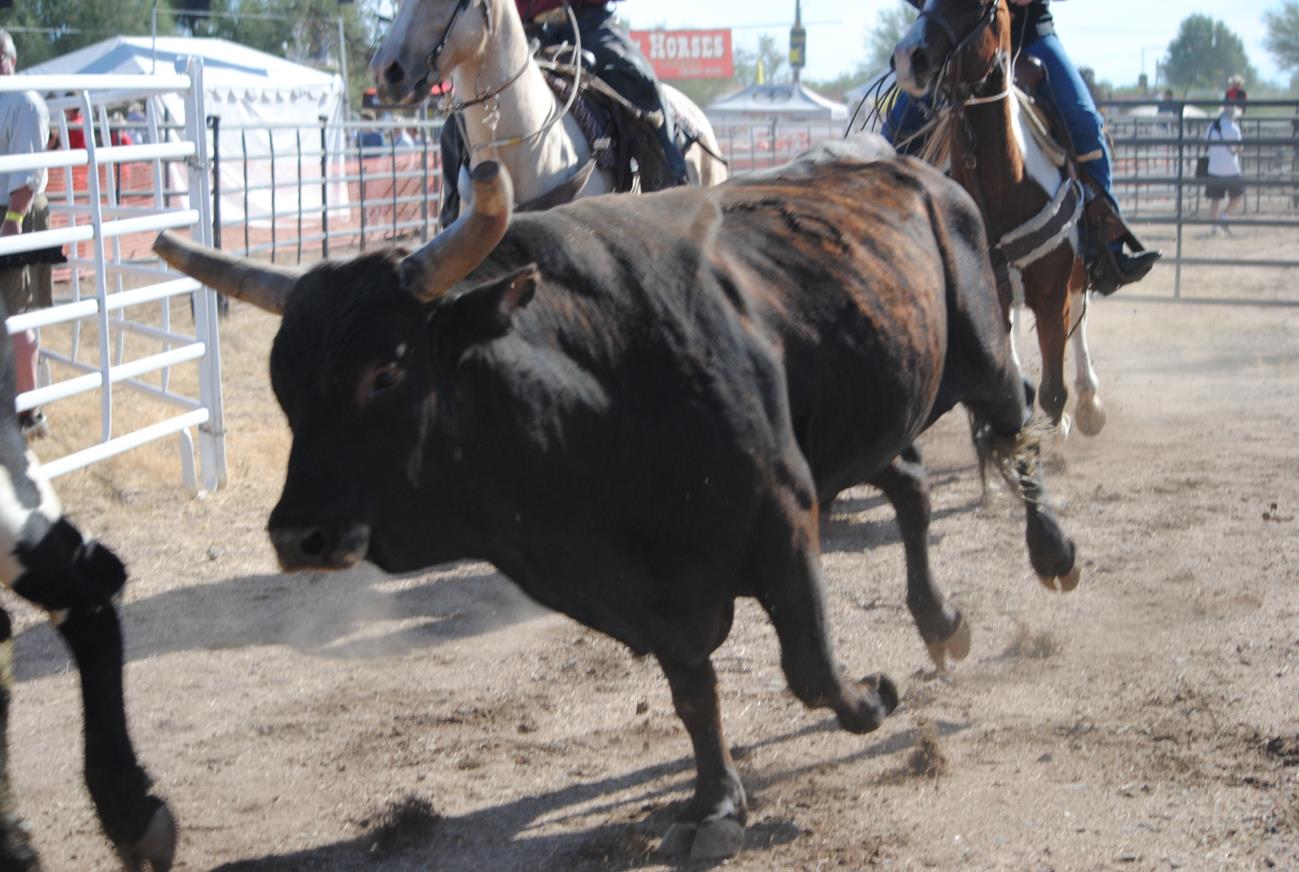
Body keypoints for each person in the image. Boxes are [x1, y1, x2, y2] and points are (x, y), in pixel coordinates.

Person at [884, 0, 1160, 293]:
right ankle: (884, 235)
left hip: (1033, 39)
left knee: (1086, 124)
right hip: (964, 39)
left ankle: (1107, 245)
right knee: (898, 131)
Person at [440, 0, 688, 222]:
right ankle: (453, 217)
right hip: (521, 32)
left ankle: (670, 182)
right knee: (458, 117)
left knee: (638, 80)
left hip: (588, 22)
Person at [0, 29, 52, 440]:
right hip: (9, 209)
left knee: (20, 311)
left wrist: (14, 217)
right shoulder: (15, 100)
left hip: (14, 212)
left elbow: (28, 170)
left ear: (9, 58)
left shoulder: (24, 101)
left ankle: (28, 412)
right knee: (14, 312)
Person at [1204, 106, 1244, 236]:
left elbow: (1206, 144)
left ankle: (1214, 226)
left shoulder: (1211, 126)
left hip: (1214, 167)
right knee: (1237, 195)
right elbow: (1238, 148)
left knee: (1215, 199)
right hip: (1231, 168)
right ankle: (1224, 217)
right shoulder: (1234, 127)